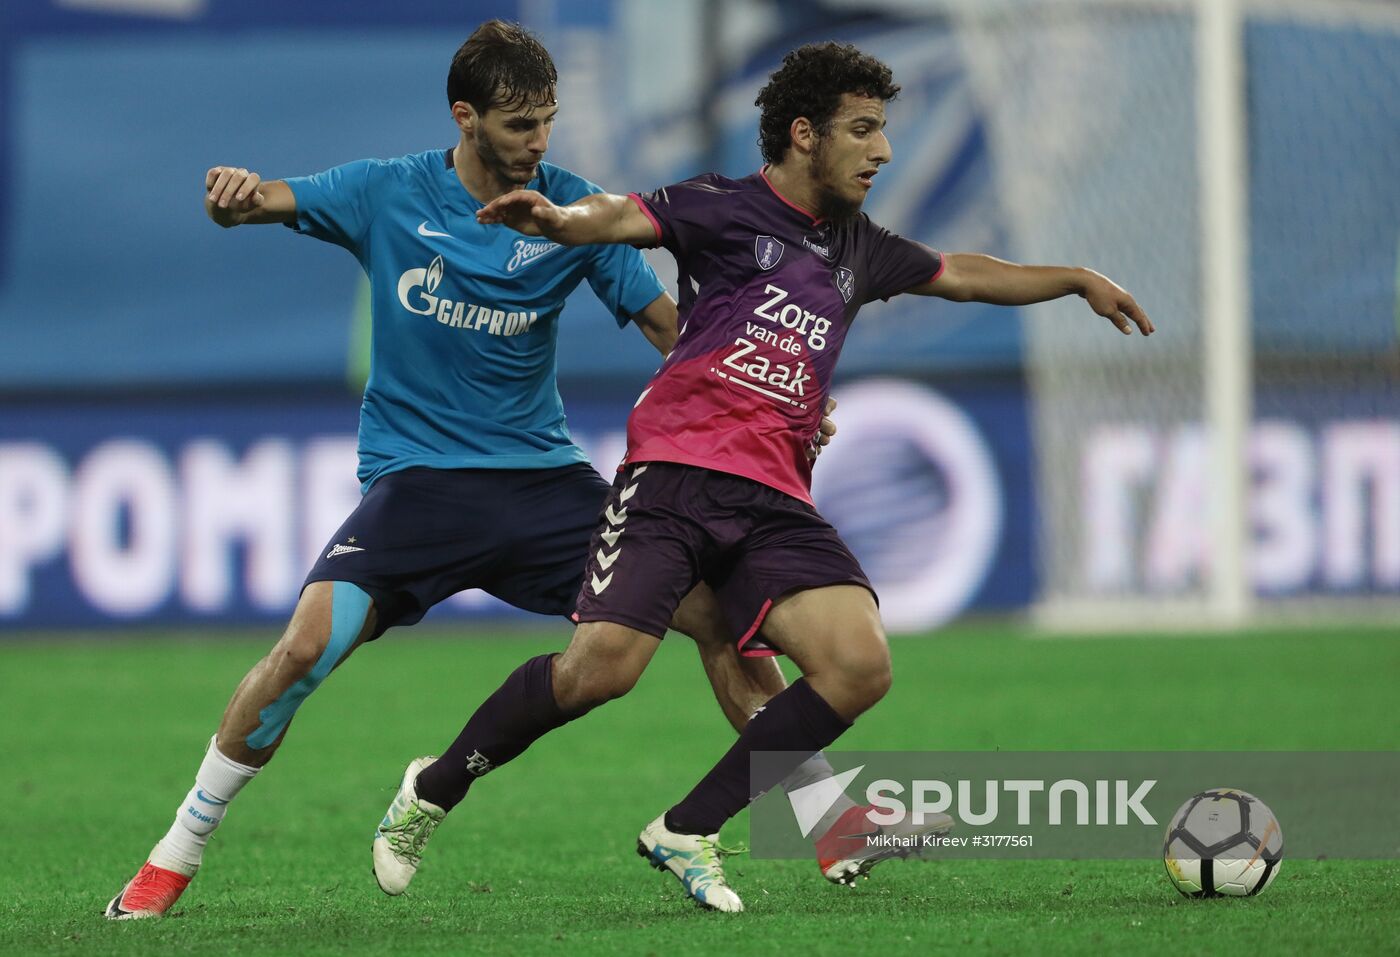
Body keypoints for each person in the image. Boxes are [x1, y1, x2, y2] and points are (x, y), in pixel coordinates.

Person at [383, 40, 1154, 913]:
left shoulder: (862, 247)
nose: (883, 151)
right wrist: (560, 223)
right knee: (600, 671)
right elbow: (620, 215)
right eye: (862, 130)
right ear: (802, 134)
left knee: (858, 663)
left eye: (883, 132)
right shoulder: (721, 207)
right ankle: (435, 785)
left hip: (777, 495)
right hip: (674, 475)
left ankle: (689, 826)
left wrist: (1075, 279)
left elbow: (966, 274)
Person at [104, 20, 841, 920]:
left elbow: (669, 328)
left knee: (725, 615)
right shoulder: (384, 192)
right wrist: (227, 196)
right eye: (519, 124)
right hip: (419, 487)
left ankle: (824, 817)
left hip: (545, 486)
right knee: (304, 647)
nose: (539, 142)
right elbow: (256, 202)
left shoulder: (572, 211)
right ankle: (176, 851)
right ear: (466, 117)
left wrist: (776, 391)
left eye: (548, 121)